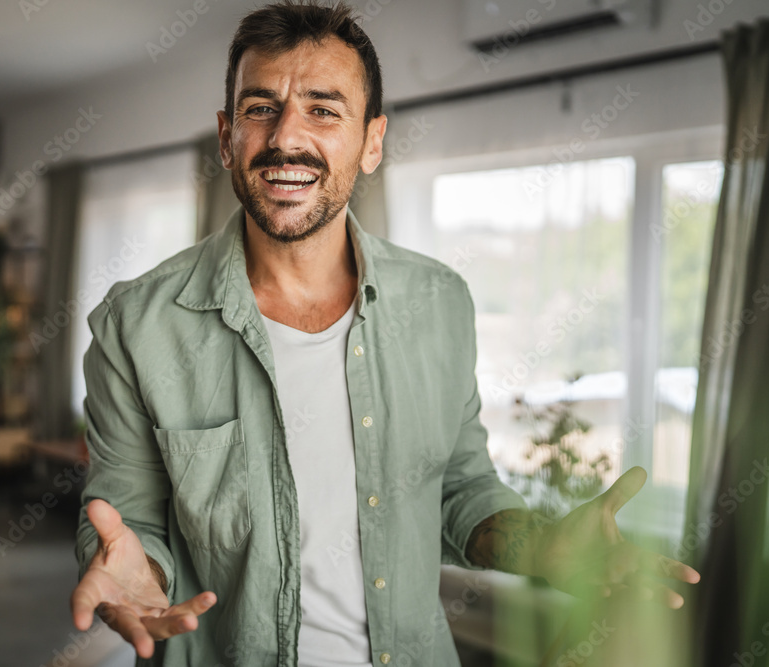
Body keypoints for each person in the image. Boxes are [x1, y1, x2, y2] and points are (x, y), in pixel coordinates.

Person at [69, 1, 700, 665]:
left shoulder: (439, 303)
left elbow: (460, 485)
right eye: (261, 107)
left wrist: (540, 545)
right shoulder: (136, 325)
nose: (287, 136)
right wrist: (137, 575)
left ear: (371, 143)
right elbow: (129, 518)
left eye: (323, 108)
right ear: (227, 136)